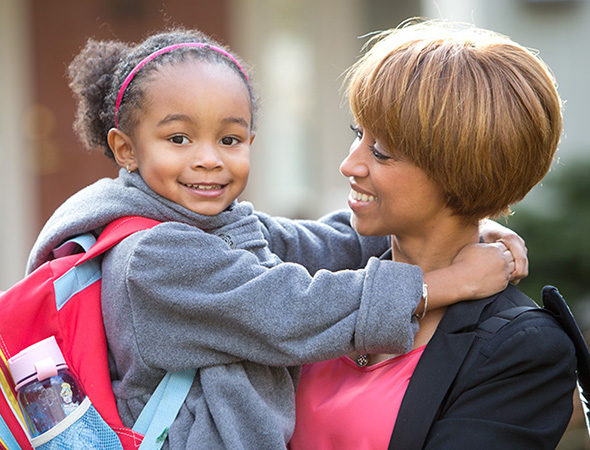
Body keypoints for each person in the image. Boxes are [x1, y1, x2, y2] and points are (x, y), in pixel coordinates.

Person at [26, 27, 526, 449]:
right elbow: (292, 309)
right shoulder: (154, 256)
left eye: (229, 139)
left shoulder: (213, 228)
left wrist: (467, 220)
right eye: (178, 139)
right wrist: (448, 283)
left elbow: (325, 244)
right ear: (125, 149)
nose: (209, 158)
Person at [290, 19, 578, 450]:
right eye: (358, 134)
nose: (349, 165)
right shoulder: (320, 272)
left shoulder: (523, 351)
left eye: (381, 151)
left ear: (459, 171)